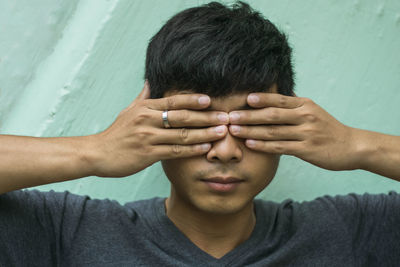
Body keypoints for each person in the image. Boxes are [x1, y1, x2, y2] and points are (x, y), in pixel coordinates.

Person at [1, 1, 399, 266]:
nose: (225, 151)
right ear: (151, 121)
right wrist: (93, 151)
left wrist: (358, 145)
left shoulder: (348, 232)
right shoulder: (68, 232)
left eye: (251, 124)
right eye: (196, 123)